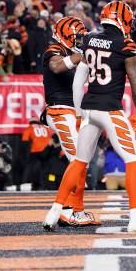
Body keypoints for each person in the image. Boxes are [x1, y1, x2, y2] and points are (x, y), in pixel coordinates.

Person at [43, 1, 136, 233]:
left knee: (79, 161)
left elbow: (79, 81)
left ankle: (53, 213)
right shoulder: (125, 44)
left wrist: (79, 113)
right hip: (109, 108)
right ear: (123, 20)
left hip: (89, 108)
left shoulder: (88, 40)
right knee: (134, 159)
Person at [41, 15, 98, 226]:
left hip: (73, 111)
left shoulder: (73, 53)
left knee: (81, 162)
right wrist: (79, 55)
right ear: (65, 36)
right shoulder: (53, 51)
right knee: (78, 161)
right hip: (60, 111)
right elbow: (56, 67)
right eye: (77, 37)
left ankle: (73, 210)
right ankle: (69, 210)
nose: (80, 41)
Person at [20, 119, 51, 191]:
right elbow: (50, 139)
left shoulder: (30, 127)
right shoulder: (44, 127)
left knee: (32, 169)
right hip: (47, 150)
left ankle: (31, 184)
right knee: (45, 169)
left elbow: (25, 140)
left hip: (36, 150)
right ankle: (45, 185)